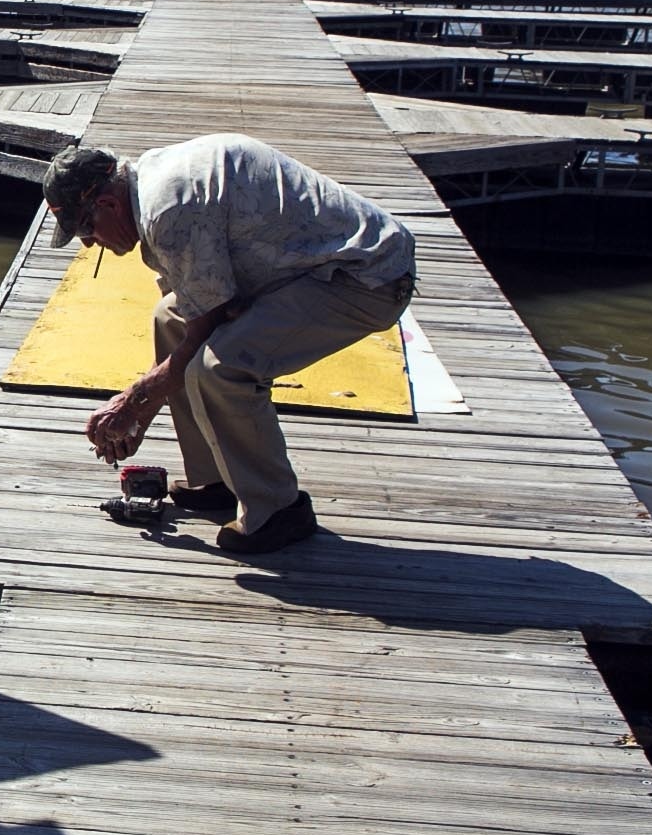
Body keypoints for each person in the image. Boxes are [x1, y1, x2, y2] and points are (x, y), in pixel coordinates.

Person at [39, 134, 415, 556]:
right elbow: (193, 314)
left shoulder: (168, 210)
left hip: (366, 277)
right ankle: (215, 478)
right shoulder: (148, 181)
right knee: (169, 319)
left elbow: (204, 335)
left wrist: (132, 404)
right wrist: (137, 417)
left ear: (107, 204)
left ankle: (278, 510)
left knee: (220, 368)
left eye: (85, 228)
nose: (89, 243)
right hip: (303, 264)